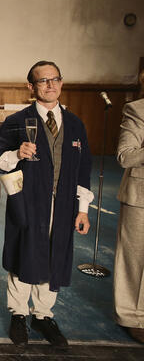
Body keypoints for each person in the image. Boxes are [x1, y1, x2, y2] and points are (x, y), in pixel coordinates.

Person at [0, 60, 93, 347]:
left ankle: (43, 315)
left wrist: (83, 209)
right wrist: (16, 153)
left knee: (55, 255)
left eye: (55, 79)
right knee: (25, 253)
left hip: (64, 204)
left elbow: (84, 169)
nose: (50, 85)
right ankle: (19, 314)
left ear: (61, 82)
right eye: (43, 80)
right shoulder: (17, 121)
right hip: (28, 201)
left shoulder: (75, 124)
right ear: (31, 86)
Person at [114, 85, 144, 344]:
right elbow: (125, 157)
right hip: (140, 197)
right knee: (135, 261)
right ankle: (133, 317)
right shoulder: (137, 110)